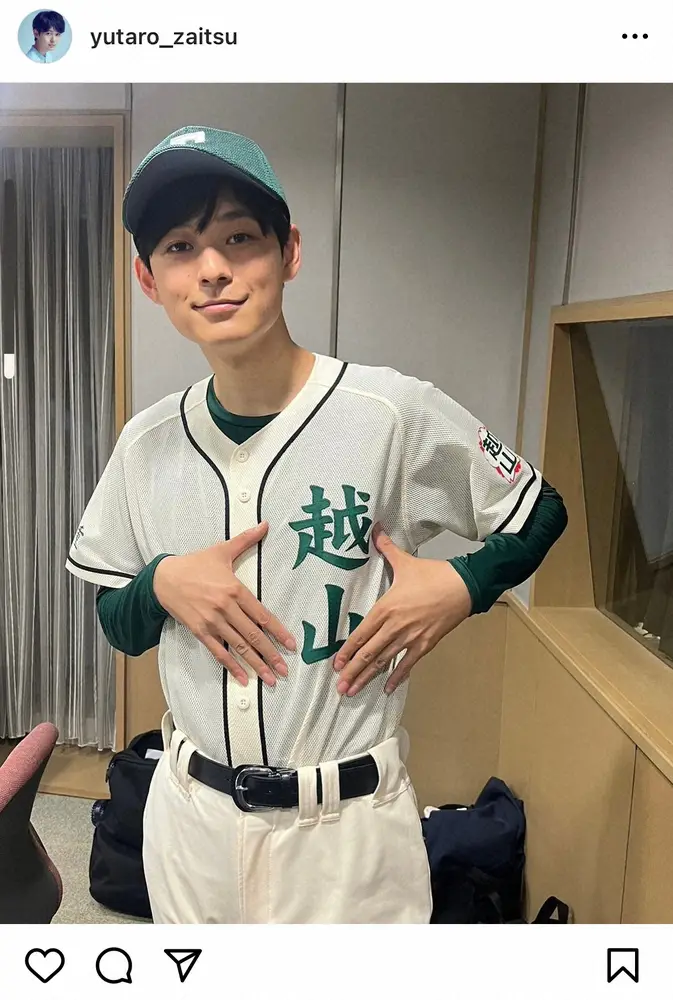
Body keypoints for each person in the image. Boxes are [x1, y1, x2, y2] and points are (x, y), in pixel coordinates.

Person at [65, 125, 568, 924]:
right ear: (148, 279)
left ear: (289, 252)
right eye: (180, 247)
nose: (213, 268)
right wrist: (161, 583)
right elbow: (117, 623)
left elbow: (540, 510)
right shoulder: (145, 442)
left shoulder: (388, 411)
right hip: (192, 822)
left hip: (346, 833)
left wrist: (462, 585)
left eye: (239, 238)